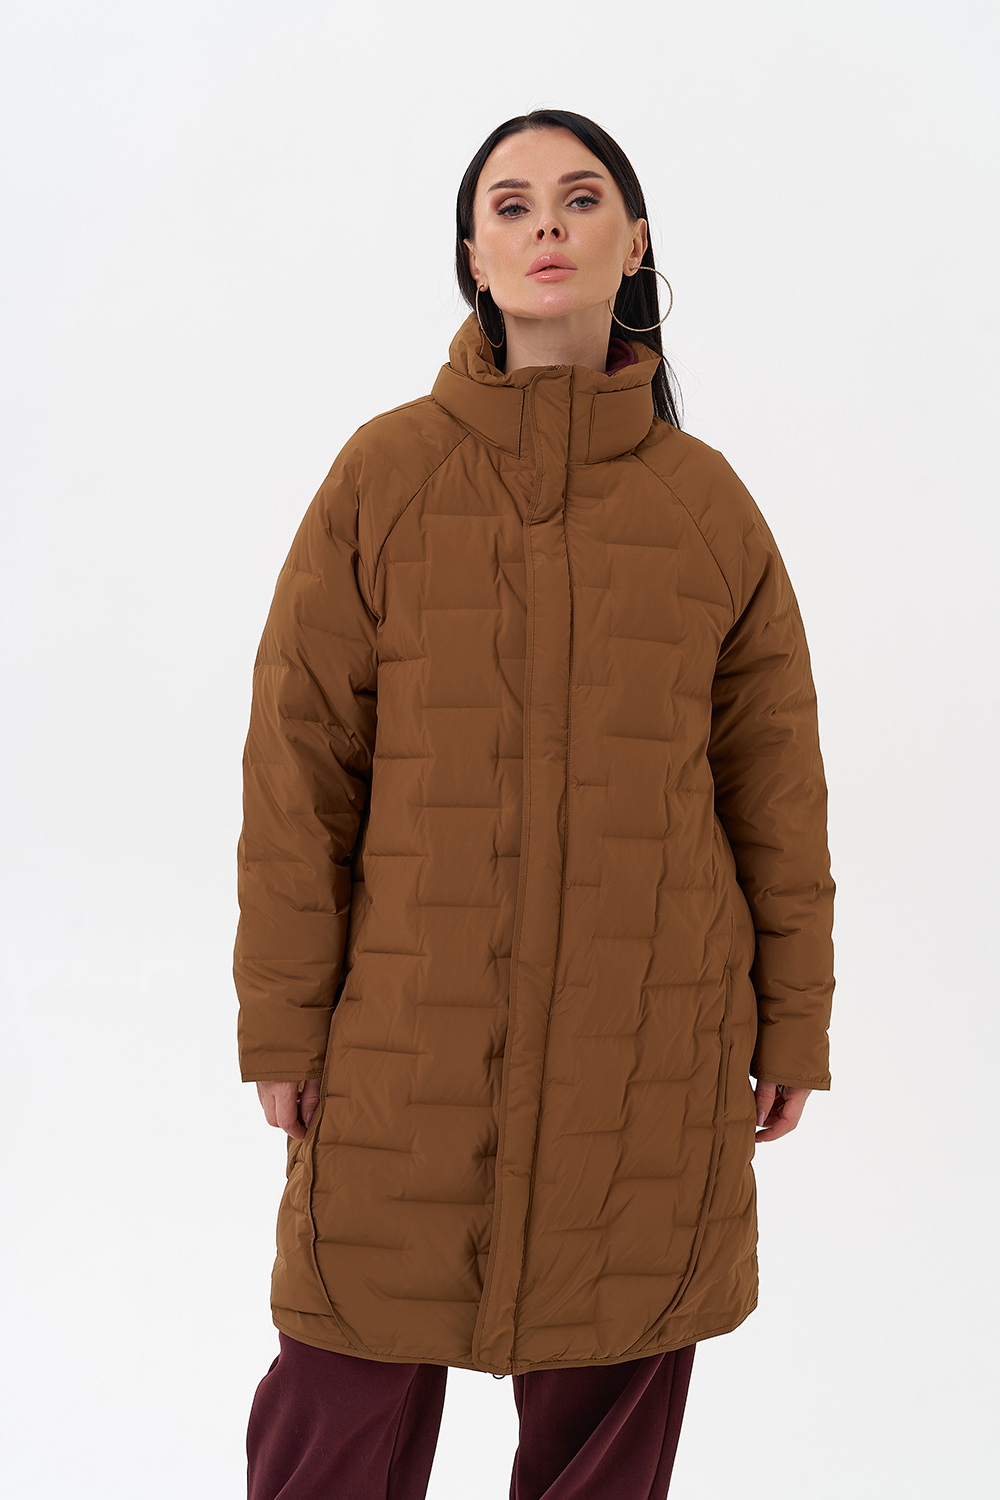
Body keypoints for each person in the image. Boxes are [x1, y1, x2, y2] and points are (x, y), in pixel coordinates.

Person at [233, 107, 836, 1500]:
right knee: (336, 1401)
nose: (546, 223)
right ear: (473, 256)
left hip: (652, 1051)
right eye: (510, 205)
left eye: (580, 197)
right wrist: (283, 1020)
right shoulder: (384, 477)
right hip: (405, 1046)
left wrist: (794, 1020)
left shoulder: (707, 509)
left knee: (608, 1430)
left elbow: (775, 793)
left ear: (635, 243)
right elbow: (299, 770)